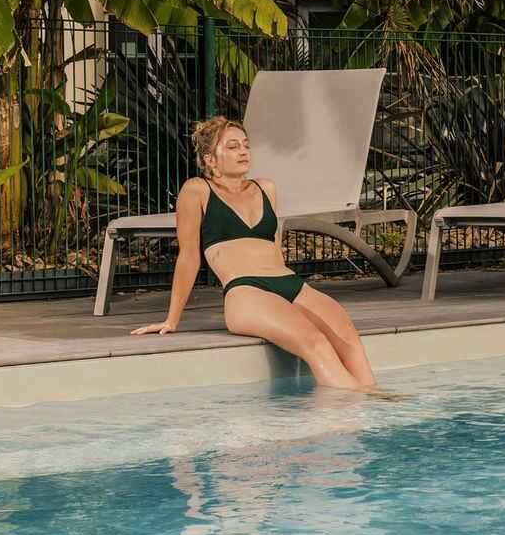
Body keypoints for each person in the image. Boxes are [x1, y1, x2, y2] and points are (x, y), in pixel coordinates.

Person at [131, 115, 378, 391]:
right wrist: (172, 319)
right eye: (233, 146)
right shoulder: (197, 190)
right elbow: (189, 256)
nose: (243, 151)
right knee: (315, 342)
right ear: (210, 159)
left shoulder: (266, 188)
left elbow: (275, 248)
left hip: (290, 284)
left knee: (349, 340)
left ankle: (375, 406)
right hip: (246, 290)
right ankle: (355, 407)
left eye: (246, 145)